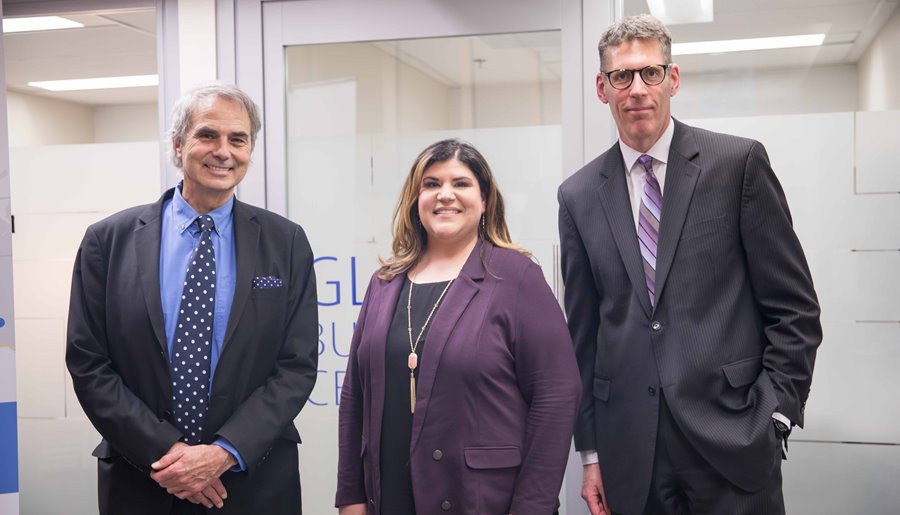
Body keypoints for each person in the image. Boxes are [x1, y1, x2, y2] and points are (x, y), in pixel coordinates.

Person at [557, 14, 823, 515]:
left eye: (650, 73)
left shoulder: (736, 165)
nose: (637, 89)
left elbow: (795, 310)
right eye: (622, 76)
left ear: (672, 79)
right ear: (602, 88)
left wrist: (777, 415)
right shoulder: (578, 197)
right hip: (631, 453)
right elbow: (584, 336)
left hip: (733, 441)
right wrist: (590, 453)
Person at [66, 82, 319, 515]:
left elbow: (296, 366)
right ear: (179, 144)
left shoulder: (285, 242)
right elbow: (89, 364)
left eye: (238, 139)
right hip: (142, 479)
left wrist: (221, 453)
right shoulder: (108, 242)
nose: (223, 151)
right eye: (207, 135)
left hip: (252, 480)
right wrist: (172, 456)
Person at [335, 139, 581, 514]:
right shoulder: (384, 283)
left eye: (461, 184)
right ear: (415, 202)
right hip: (389, 499)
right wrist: (351, 496)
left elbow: (556, 397)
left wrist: (533, 506)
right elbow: (355, 396)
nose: (444, 195)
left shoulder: (517, 278)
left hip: (482, 500)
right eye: (431, 184)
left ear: (484, 201)